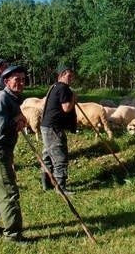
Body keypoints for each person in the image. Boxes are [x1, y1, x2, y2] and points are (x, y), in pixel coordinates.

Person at [0, 65, 28, 242]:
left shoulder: (13, 98)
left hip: (4, 150)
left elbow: (15, 120)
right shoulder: (2, 98)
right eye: (17, 79)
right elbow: (2, 128)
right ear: (7, 81)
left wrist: (19, 120)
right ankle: (13, 235)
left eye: (23, 79)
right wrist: (18, 120)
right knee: (9, 193)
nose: (21, 82)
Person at [40, 64, 77, 195]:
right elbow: (66, 108)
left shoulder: (54, 87)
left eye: (72, 76)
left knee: (48, 155)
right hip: (54, 127)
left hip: (46, 125)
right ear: (61, 74)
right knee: (59, 156)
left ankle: (46, 183)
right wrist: (73, 98)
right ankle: (60, 188)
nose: (71, 78)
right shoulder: (63, 88)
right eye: (69, 75)